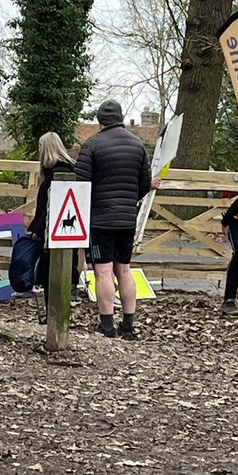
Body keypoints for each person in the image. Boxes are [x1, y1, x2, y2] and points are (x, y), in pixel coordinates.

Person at [75, 101, 156, 339]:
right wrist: (129, 201)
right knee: (124, 269)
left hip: (100, 219)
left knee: (103, 271)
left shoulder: (91, 146)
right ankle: (129, 323)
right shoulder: (138, 145)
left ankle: (107, 324)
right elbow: (144, 184)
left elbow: (81, 184)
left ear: (100, 121)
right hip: (127, 219)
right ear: (121, 118)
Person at [28, 131, 80, 297]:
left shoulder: (59, 173)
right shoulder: (64, 170)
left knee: (53, 271)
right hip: (57, 230)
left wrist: (38, 228)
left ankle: (55, 314)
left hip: (53, 232)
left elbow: (52, 206)